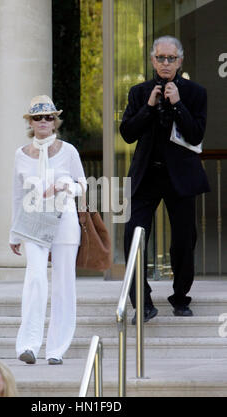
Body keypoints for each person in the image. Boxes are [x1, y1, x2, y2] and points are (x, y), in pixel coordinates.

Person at [120, 36, 209, 324]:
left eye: (171, 58)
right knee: (133, 237)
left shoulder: (195, 93)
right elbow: (127, 133)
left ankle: (180, 297)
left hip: (180, 177)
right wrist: (148, 106)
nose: (165, 63)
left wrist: (178, 104)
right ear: (152, 60)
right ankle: (142, 303)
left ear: (180, 61)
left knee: (184, 240)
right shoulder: (138, 92)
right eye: (160, 58)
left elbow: (196, 134)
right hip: (146, 176)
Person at [9, 95, 86, 365]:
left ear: (55, 121)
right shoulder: (21, 154)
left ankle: (56, 349)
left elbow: (83, 186)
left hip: (63, 218)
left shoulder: (69, 151)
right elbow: (17, 195)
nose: (44, 121)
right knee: (36, 279)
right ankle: (29, 344)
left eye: (49, 117)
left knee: (64, 284)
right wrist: (13, 233)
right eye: (38, 117)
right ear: (30, 122)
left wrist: (65, 184)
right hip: (32, 220)